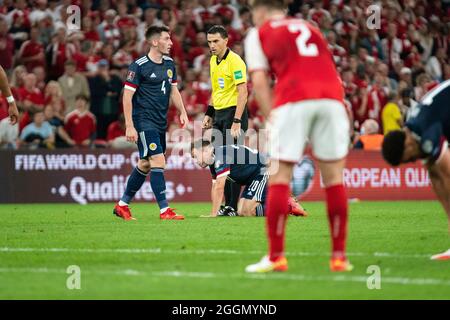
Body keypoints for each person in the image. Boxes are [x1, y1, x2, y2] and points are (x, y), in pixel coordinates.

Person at [244, 0, 352, 273]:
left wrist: (272, 116)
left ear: (259, 9)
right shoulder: (309, 26)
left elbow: (258, 82)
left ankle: (276, 256)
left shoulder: (258, 33)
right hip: (331, 99)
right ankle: (339, 257)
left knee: (280, 177)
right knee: (333, 180)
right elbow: (331, 70)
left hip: (294, 99)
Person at [113, 25, 189, 221]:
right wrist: (129, 125)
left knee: (146, 164)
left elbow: (174, 90)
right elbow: (127, 97)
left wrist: (182, 111)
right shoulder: (139, 66)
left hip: (159, 121)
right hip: (143, 121)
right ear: (155, 42)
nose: (171, 43)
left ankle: (122, 205)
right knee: (158, 161)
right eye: (166, 39)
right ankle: (165, 210)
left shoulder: (170, 64)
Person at [382, 79, 450, 261]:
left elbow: (446, 172)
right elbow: (435, 177)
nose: (412, 161)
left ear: (407, 144)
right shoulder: (415, 129)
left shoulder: (426, 133)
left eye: (409, 159)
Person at [191, 139, 307, 217]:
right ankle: (279, 200)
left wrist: (213, 214)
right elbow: (215, 186)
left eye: (196, 156)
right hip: (252, 177)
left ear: (205, 150)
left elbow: (220, 187)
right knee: (242, 211)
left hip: (263, 169)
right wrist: (213, 212)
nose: (196, 161)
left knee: (248, 210)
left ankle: (286, 206)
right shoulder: (214, 159)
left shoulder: (221, 155)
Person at [202, 25, 249, 214]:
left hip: (233, 114)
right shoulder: (214, 61)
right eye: (209, 42)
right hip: (219, 114)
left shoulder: (235, 61)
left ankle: (231, 206)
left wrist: (237, 121)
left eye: (215, 41)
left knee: (231, 162)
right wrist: (209, 113)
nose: (212, 46)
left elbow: (243, 92)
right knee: (217, 161)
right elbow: (217, 90)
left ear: (226, 41)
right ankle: (226, 205)